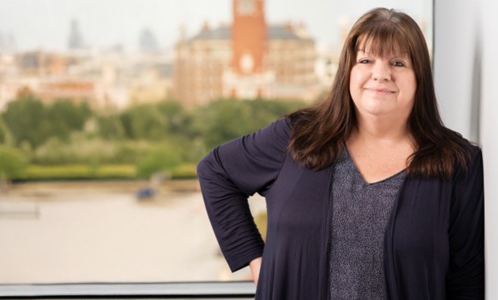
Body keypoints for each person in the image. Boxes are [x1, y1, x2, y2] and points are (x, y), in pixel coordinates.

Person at [197, 7, 484, 300]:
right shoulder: (298, 137)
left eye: (398, 62)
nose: (380, 74)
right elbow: (215, 171)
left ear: (420, 77)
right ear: (348, 71)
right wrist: (255, 260)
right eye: (366, 60)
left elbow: (466, 281)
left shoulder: (458, 164)